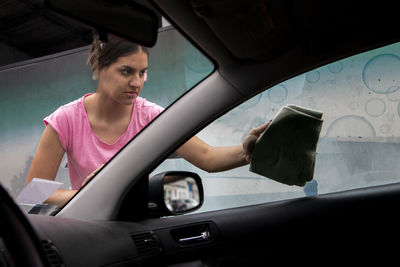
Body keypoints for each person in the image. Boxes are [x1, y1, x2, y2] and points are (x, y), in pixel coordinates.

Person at [25, 33, 270, 207]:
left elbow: (208, 157)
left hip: (139, 225)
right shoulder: (65, 120)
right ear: (99, 68)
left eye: (142, 72)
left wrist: (248, 151)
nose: (137, 83)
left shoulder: (151, 117)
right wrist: (86, 194)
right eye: (126, 71)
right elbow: (35, 191)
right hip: (89, 222)